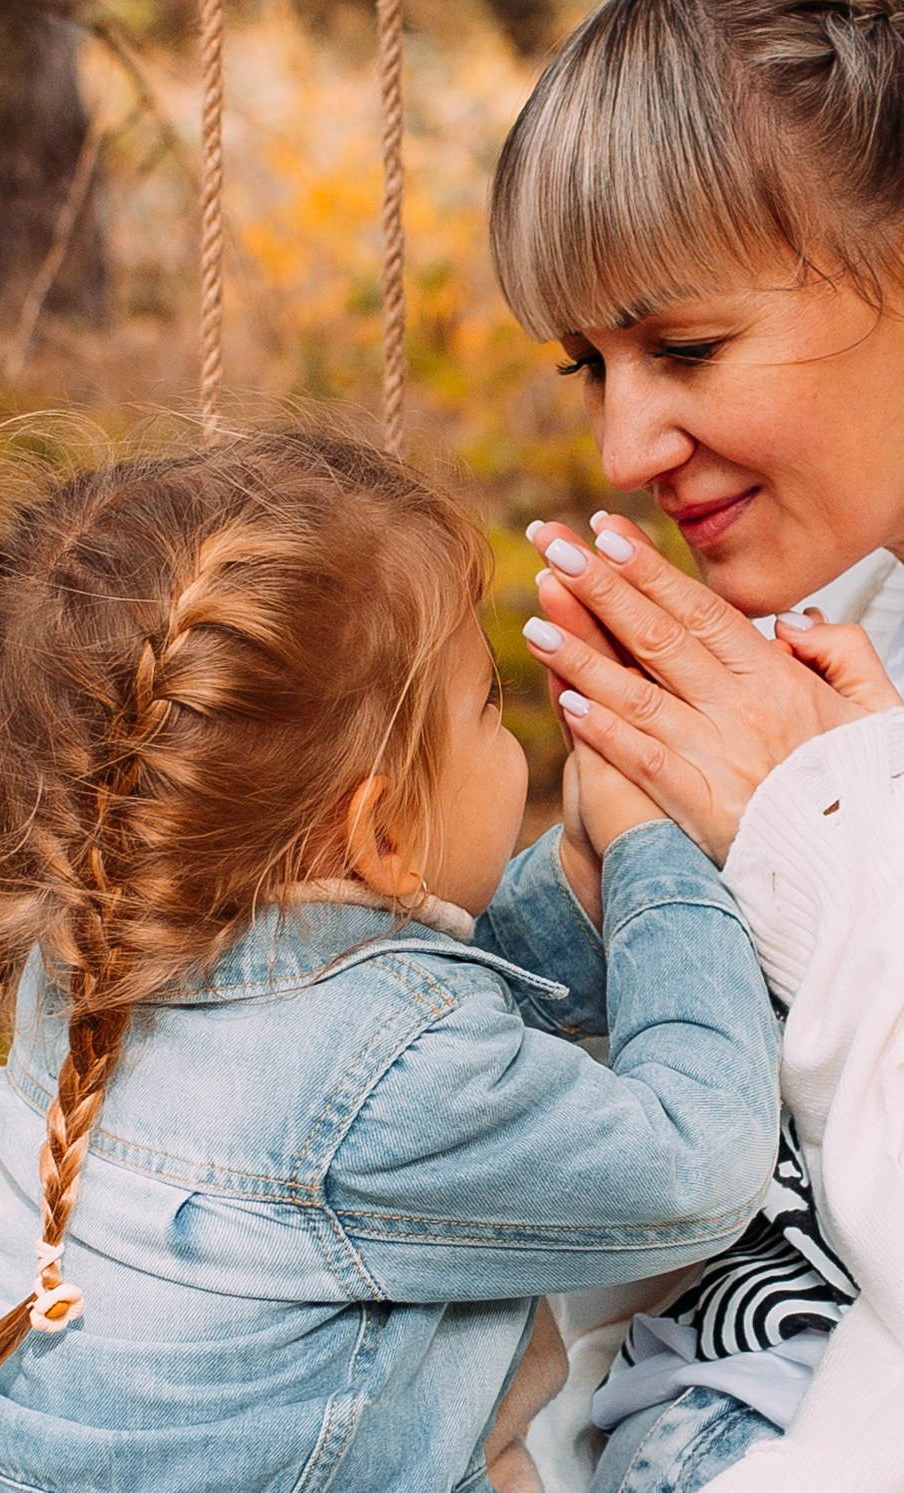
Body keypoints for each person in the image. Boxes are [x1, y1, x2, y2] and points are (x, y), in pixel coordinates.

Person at [0, 427, 779, 1493]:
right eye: (486, 706)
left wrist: (576, 884)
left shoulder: (81, 959)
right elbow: (696, 1164)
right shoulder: (387, 1076)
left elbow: (380, 1003)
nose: (510, 736)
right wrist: (651, 855)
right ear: (382, 833)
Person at [489, 1, 904, 1490]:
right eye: (588, 366)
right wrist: (609, 911)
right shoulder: (800, 645)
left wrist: (810, 826)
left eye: (685, 344)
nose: (621, 451)